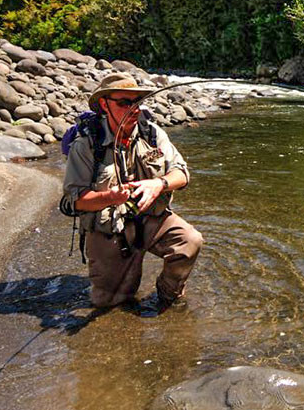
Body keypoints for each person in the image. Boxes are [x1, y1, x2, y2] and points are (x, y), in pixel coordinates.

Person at [61, 73, 203, 311]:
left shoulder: (153, 134)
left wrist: (159, 184)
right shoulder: (86, 144)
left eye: (137, 102)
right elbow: (74, 202)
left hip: (151, 219)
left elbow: (182, 173)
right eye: (124, 103)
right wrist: (110, 197)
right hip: (109, 229)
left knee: (190, 241)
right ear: (104, 105)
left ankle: (168, 296)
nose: (133, 109)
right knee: (108, 304)